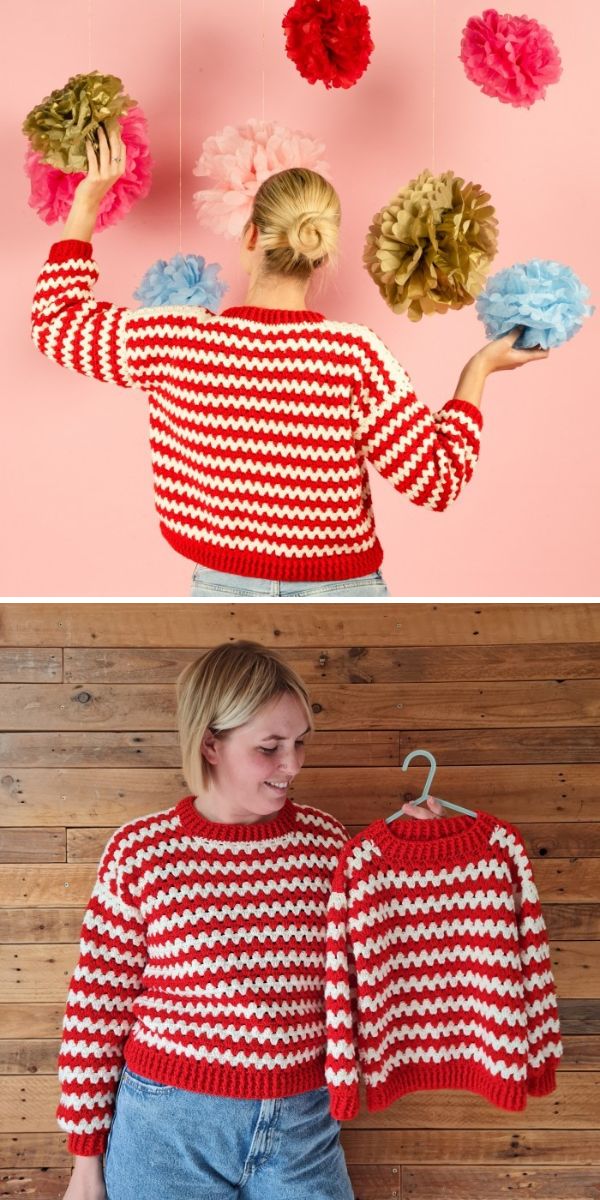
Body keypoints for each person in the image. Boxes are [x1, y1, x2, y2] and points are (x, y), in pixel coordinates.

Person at [30, 121, 549, 599]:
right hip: (343, 594)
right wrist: (477, 371)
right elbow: (438, 481)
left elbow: (54, 320)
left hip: (219, 593)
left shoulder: (174, 337)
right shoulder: (353, 354)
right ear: (320, 254)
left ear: (251, 236)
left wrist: (87, 202)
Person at [57, 638, 442, 1200]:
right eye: (270, 747)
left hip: (304, 1125)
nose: (292, 765)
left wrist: (416, 860)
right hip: (168, 1130)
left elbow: (376, 967)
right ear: (211, 743)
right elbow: (96, 1010)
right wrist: (85, 1165)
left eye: (299, 743)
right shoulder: (140, 852)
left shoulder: (327, 843)